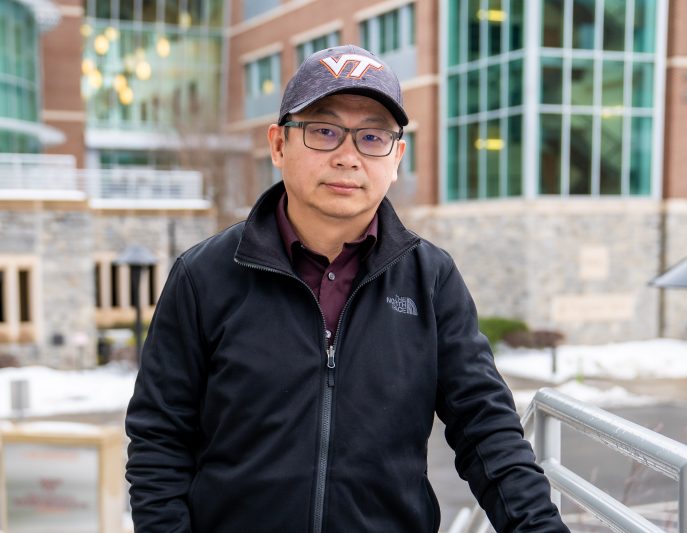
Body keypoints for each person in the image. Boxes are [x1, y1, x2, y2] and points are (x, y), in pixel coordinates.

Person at [125, 44, 569, 533]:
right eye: (324, 131)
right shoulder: (204, 276)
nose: (348, 157)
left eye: (372, 137)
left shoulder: (432, 280)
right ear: (278, 145)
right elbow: (158, 443)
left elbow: (487, 431)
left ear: (396, 158)